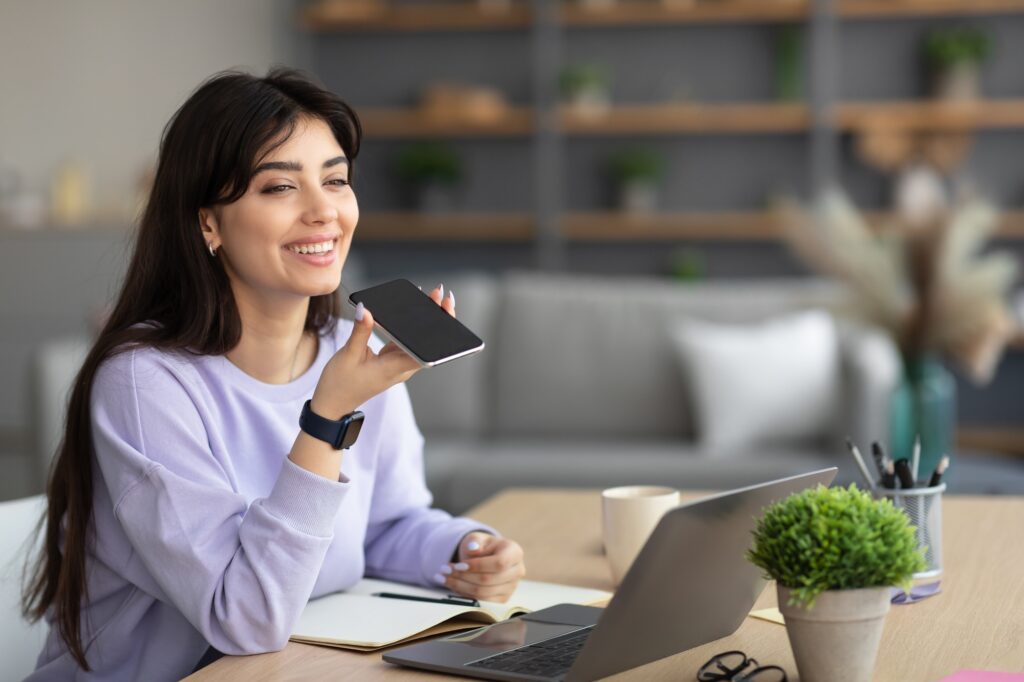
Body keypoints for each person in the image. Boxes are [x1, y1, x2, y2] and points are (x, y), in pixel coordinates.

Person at [22, 67, 526, 680]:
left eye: (336, 180)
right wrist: (326, 421)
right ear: (207, 222)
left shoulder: (350, 351)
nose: (323, 211)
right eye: (280, 187)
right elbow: (245, 616)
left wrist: (463, 549)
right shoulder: (144, 383)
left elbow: (383, 526)